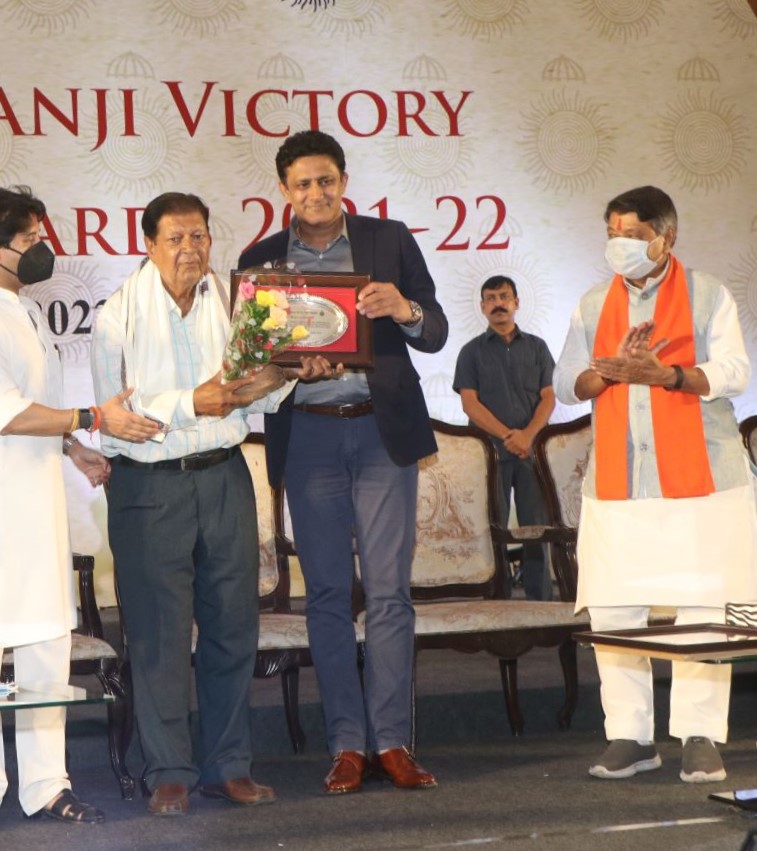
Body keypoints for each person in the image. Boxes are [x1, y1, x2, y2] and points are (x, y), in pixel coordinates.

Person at [93, 191, 327, 816]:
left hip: (225, 476)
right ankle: (168, 769)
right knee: (158, 635)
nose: (190, 249)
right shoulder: (116, 316)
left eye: (199, 236)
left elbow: (252, 396)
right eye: (175, 238)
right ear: (148, 245)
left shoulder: (231, 303)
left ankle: (228, 767)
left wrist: (287, 374)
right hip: (149, 487)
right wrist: (190, 402)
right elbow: (112, 417)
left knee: (232, 628)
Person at [0, 187, 158, 834]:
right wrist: (94, 417)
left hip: (39, 505)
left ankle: (46, 785)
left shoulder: (27, 309)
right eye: (30, 240)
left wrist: (73, 447)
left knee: (46, 648)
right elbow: (7, 413)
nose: (42, 248)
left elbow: (36, 405)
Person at [237, 129, 448, 795]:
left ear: (344, 181)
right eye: (302, 183)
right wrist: (289, 369)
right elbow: (246, 363)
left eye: (325, 180)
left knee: (389, 593)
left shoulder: (388, 241)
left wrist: (403, 308)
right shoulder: (261, 260)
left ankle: (392, 741)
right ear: (284, 190)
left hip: (381, 435)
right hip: (308, 438)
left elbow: (436, 330)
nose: (316, 193)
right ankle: (347, 744)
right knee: (326, 595)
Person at [553, 185, 757, 783]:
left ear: (666, 238)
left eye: (633, 235)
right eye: (612, 234)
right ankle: (631, 736)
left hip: (703, 478)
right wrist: (608, 371)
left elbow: (735, 372)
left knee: (704, 605)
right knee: (615, 606)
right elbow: (567, 384)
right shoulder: (593, 303)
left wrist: (666, 374)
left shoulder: (708, 293)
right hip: (619, 481)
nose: (619, 245)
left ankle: (699, 734)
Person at [452, 274, 556, 601]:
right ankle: (498, 600)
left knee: (537, 529)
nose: (498, 303)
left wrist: (528, 436)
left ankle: (541, 602)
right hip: (491, 455)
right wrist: (509, 436)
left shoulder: (537, 348)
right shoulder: (471, 352)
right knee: (492, 528)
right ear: (483, 307)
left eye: (504, 297)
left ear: (516, 303)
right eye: (491, 298)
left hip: (532, 453)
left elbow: (549, 396)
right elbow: (470, 403)